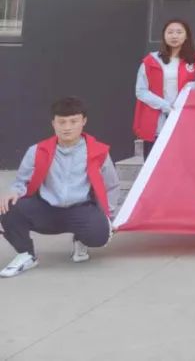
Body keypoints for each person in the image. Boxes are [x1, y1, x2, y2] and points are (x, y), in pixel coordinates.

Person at [1, 97, 120, 278]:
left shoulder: (98, 152)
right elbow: (21, 181)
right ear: (53, 123)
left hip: (81, 209)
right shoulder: (37, 150)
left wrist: (109, 215)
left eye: (73, 121)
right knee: (7, 207)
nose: (67, 127)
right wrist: (13, 191)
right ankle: (26, 254)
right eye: (61, 122)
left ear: (84, 121)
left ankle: (81, 239)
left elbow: (111, 185)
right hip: (46, 209)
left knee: (100, 235)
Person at [134, 19, 195, 158]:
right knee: (154, 160)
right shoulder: (151, 60)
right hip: (157, 117)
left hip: (183, 116)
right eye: (170, 32)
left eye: (179, 32)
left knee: (181, 160)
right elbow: (141, 90)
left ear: (186, 36)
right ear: (164, 35)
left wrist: (190, 86)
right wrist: (165, 105)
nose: (174, 36)